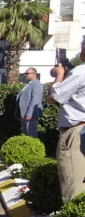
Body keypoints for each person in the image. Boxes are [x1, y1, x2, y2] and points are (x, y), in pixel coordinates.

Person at [50, 58, 85, 204]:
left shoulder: (81, 71)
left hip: (77, 131)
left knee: (72, 186)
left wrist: (59, 74)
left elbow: (54, 96)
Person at [18, 67, 43, 138]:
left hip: (30, 115)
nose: (25, 75)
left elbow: (35, 100)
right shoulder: (29, 84)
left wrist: (30, 114)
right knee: (26, 134)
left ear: (34, 74)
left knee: (31, 135)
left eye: (27, 73)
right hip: (24, 114)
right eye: (25, 74)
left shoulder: (36, 84)